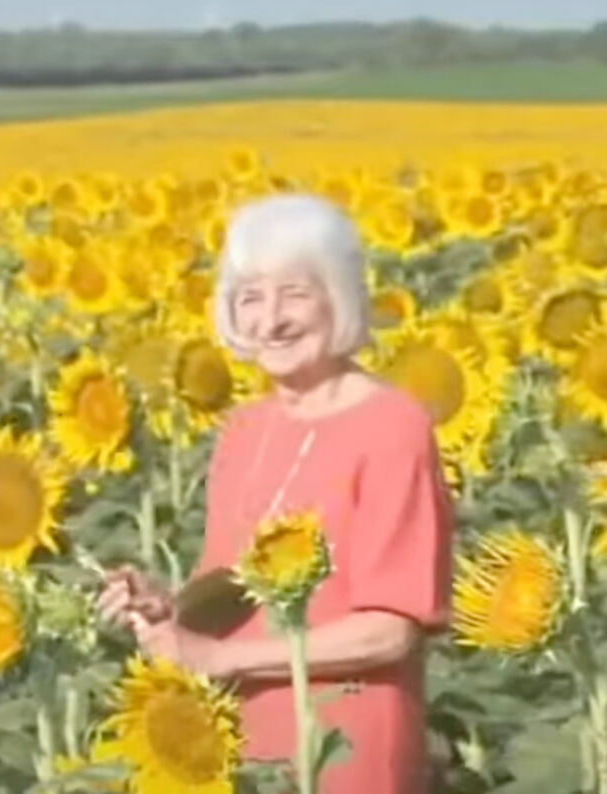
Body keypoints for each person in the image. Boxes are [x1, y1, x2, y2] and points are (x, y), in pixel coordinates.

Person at [98, 193, 454, 794]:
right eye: (250, 297)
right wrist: (166, 608)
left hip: (347, 736)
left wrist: (217, 660)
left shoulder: (393, 427)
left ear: (338, 298)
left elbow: (392, 627)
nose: (271, 319)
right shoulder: (244, 430)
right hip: (240, 736)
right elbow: (231, 592)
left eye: (294, 293)